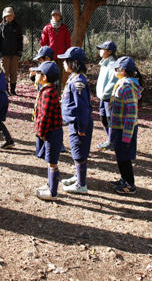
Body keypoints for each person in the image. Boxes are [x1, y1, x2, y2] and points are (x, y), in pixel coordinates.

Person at [59, 47, 94, 194]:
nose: (63, 63)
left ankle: (81, 185)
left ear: (73, 63)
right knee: (77, 151)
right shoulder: (74, 78)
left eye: (66, 61)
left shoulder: (78, 81)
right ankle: (79, 176)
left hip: (79, 122)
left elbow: (82, 107)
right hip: (75, 122)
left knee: (79, 152)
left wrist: (81, 127)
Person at [108, 57, 143, 194]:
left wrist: (127, 135)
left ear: (122, 71)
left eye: (116, 69)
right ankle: (124, 179)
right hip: (118, 127)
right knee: (120, 154)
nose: (115, 71)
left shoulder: (127, 86)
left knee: (125, 156)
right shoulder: (122, 83)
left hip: (125, 129)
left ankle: (130, 185)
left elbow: (132, 111)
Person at [32, 61, 64, 201]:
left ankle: (53, 192)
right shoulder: (48, 89)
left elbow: (44, 116)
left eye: (38, 72)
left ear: (44, 77)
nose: (35, 74)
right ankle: (49, 184)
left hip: (51, 132)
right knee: (49, 160)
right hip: (49, 131)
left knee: (52, 162)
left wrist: (42, 133)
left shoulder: (48, 93)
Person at [40, 9, 71, 93]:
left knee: (59, 74)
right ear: (51, 17)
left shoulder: (64, 28)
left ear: (60, 17)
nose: (55, 16)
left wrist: (67, 54)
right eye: (53, 15)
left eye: (57, 15)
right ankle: (48, 92)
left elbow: (68, 42)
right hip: (50, 56)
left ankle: (58, 93)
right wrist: (44, 54)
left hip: (61, 56)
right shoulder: (47, 27)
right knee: (48, 73)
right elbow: (43, 42)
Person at [95, 41, 118, 150]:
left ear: (110, 51)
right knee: (103, 118)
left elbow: (113, 81)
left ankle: (112, 141)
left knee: (109, 119)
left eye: (102, 48)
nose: (100, 50)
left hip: (108, 98)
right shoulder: (104, 63)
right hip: (103, 98)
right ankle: (110, 140)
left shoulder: (113, 64)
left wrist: (105, 94)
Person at [0, 7, 23, 96]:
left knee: (14, 73)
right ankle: (5, 90)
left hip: (14, 53)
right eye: (7, 16)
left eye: (11, 15)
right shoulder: (0, 26)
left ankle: (13, 90)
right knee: (4, 73)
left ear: (13, 16)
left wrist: (20, 51)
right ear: (4, 17)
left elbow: (20, 39)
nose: (9, 17)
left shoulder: (17, 26)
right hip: (4, 54)